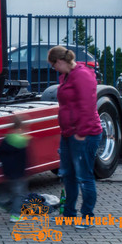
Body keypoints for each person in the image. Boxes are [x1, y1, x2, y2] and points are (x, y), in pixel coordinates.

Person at [47, 45, 103, 229]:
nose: (53, 69)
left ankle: (88, 217)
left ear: (60, 61)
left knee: (84, 177)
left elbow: (87, 106)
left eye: (53, 65)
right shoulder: (66, 76)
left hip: (84, 134)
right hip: (68, 134)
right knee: (68, 174)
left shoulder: (82, 76)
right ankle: (69, 213)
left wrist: (81, 133)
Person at [0, 114, 30, 222]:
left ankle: (5, 205)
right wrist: (25, 171)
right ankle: (15, 215)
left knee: (12, 193)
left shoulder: (6, 139)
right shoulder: (22, 141)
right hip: (18, 173)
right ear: (21, 127)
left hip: (7, 171)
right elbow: (25, 159)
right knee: (19, 194)